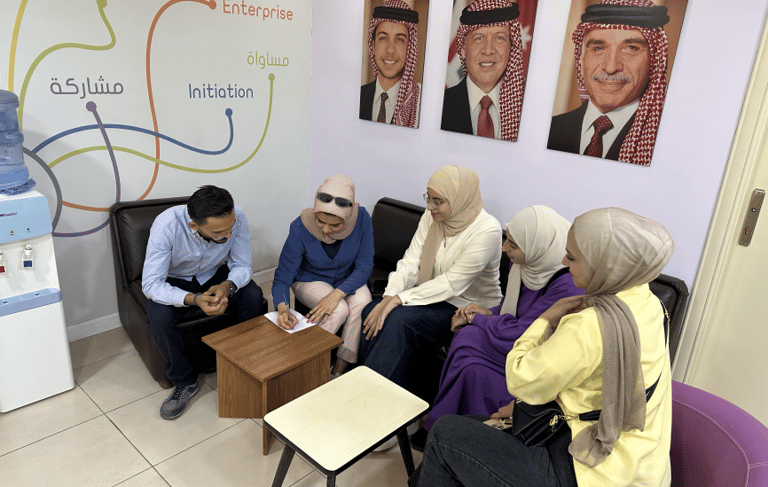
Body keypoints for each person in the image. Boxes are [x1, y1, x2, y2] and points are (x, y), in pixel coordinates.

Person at [411, 207, 674, 487]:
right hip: (641, 460)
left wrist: (545, 320)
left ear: (604, 265)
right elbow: (593, 381)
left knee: (445, 433)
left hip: (591, 467)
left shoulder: (589, 323)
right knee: (470, 400)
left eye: (572, 257)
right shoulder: (648, 303)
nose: (563, 260)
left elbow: (521, 380)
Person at [410, 206, 583, 449]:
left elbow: (529, 330)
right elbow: (512, 306)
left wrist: (477, 319)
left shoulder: (568, 284)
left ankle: (473, 438)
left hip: (534, 349)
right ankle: (442, 425)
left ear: (537, 246)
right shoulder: (525, 263)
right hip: (513, 336)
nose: (504, 248)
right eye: (506, 240)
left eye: (513, 244)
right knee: (467, 342)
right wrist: (487, 311)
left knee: (473, 355)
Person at [359, 165, 502, 394]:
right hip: (429, 295)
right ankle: (391, 396)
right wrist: (388, 296)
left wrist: (398, 299)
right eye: (429, 198)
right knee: (371, 311)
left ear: (459, 199)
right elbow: (411, 261)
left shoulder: (487, 231)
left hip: (464, 305)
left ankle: (367, 394)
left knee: (399, 320)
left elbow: (452, 283)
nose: (429, 207)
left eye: (438, 202)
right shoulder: (431, 217)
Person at [142, 185, 266, 419]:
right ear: (194, 226)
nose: (227, 235)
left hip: (215, 273)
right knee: (159, 318)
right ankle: (185, 381)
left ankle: (244, 363)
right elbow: (151, 284)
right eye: (219, 232)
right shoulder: (166, 225)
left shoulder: (236, 216)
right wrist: (194, 300)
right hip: (176, 279)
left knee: (252, 295)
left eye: (230, 228)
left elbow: (242, 265)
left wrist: (228, 286)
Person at [272, 175, 374, 377]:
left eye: (335, 225)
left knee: (363, 302)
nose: (326, 230)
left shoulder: (361, 219)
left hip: (347, 276)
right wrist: (282, 309)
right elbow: (282, 277)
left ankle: (338, 370)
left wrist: (336, 294)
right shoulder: (300, 228)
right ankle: (304, 363)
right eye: (320, 221)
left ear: (348, 217)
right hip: (309, 278)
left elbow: (364, 266)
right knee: (338, 309)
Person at [547, 0, 671, 166]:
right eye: (598, 48)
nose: (611, 67)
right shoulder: (549, 129)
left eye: (631, 48)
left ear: (654, 62)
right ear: (581, 62)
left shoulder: (668, 144)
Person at [441, 0, 525, 141]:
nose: (488, 50)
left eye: (499, 38)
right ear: (463, 50)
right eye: (479, 38)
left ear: (511, 48)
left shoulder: (529, 109)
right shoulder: (439, 106)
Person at [359, 0, 421, 128]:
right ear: (373, 45)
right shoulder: (357, 97)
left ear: (409, 49)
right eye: (383, 38)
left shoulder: (421, 103)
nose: (390, 50)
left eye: (400, 40)